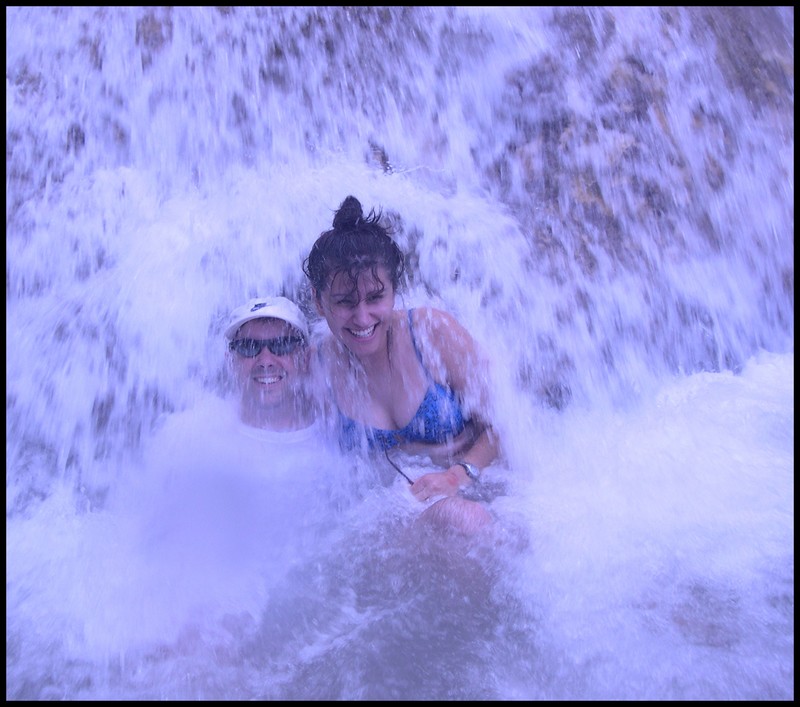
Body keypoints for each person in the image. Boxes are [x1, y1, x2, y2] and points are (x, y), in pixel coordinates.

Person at [303, 196, 501, 534]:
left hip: (483, 490)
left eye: (376, 298)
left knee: (464, 519)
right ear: (318, 302)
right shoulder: (316, 368)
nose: (362, 317)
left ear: (394, 291)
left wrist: (459, 475)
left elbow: (505, 426)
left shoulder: (432, 335)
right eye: (345, 302)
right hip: (383, 517)